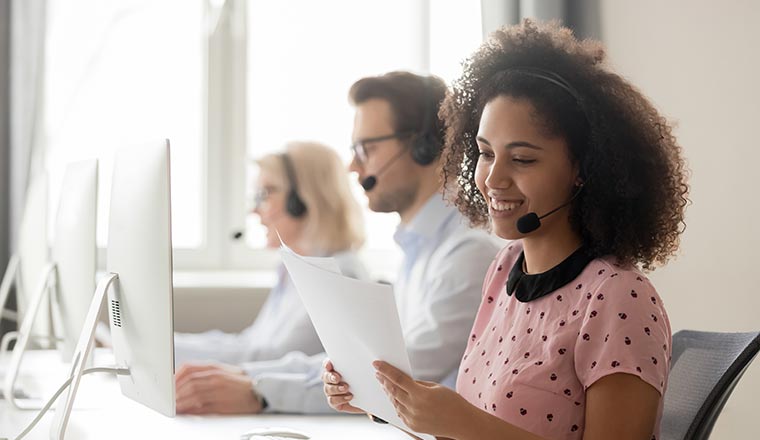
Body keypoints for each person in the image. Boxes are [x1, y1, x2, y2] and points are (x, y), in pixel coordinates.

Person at [324, 20, 689, 440]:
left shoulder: (618, 297)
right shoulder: (505, 270)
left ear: (583, 171)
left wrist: (462, 422)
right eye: (485, 153)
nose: (493, 179)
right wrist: (384, 399)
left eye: (523, 159)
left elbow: (478, 428)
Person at [175, 71, 499, 415]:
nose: (353, 165)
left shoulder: (466, 253)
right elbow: (357, 363)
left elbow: (397, 377)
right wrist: (250, 378)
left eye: (367, 149)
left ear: (425, 148)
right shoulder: (419, 252)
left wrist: (262, 390)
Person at [173, 141, 368, 413]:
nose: (255, 211)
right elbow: (250, 344)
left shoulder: (339, 273)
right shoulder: (294, 269)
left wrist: (164, 350)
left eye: (266, 194)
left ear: (302, 199)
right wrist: (164, 343)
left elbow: (269, 356)